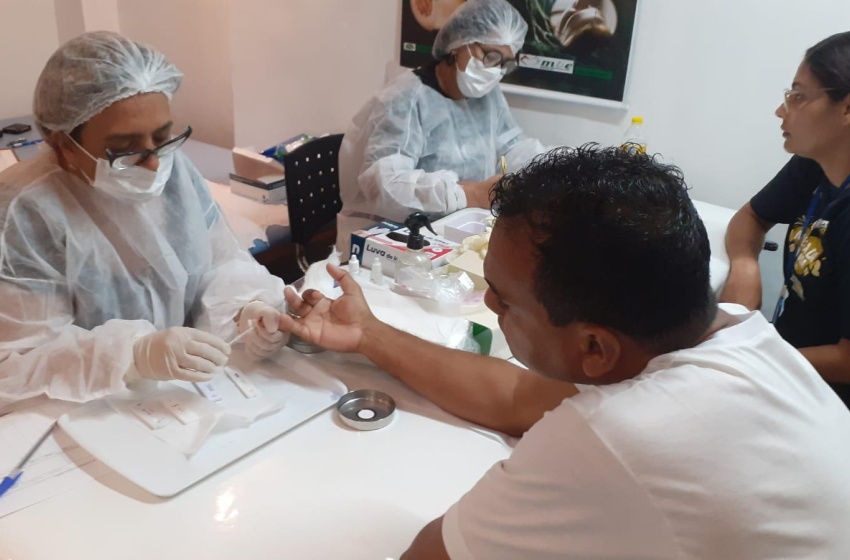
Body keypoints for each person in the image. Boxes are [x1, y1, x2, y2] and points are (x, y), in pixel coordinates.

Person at [282, 145, 850, 559]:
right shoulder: (741, 334)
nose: (488, 302)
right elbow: (515, 396)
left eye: (502, 299)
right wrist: (370, 334)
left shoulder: (617, 435)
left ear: (595, 347)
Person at [0, 32, 288, 413]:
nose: (153, 164)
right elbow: (16, 364)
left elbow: (218, 261)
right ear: (64, 143)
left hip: (180, 402)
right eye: (124, 149)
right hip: (83, 415)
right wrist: (132, 356)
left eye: (163, 137)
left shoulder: (173, 170)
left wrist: (245, 310)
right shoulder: (25, 212)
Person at [335, 0, 545, 254]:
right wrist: (469, 194)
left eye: (505, 63)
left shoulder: (487, 97)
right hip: (390, 238)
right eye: (490, 56)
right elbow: (383, 186)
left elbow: (512, 146)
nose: (496, 71)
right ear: (459, 43)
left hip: (453, 230)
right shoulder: (405, 99)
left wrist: (550, 169)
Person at [720, 31, 850, 406]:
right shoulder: (816, 163)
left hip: (828, 404)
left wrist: (749, 359)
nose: (781, 111)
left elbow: (847, 360)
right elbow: (751, 217)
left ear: (846, 109)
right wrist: (745, 265)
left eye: (798, 96)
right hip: (786, 366)